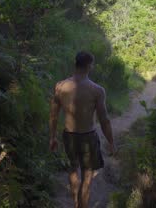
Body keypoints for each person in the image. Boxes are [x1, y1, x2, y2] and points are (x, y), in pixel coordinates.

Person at [49, 51, 115, 208]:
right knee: (87, 175)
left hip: (68, 136)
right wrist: (111, 142)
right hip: (88, 137)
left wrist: (52, 137)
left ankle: (76, 203)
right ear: (89, 66)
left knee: (73, 168)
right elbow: (104, 120)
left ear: (75, 64)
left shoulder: (60, 86)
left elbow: (53, 115)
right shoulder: (97, 90)